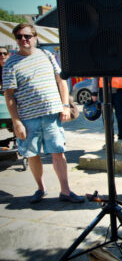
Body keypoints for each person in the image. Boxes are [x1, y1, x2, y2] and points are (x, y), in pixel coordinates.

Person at [2, 23, 84, 204]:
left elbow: (61, 81)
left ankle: (66, 191)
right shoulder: (10, 63)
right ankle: (41, 188)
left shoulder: (47, 55)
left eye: (27, 36)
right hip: (28, 118)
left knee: (58, 152)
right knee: (32, 154)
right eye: (19, 37)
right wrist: (16, 122)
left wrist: (64, 105)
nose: (23, 40)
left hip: (51, 115)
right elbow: (9, 96)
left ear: (35, 37)